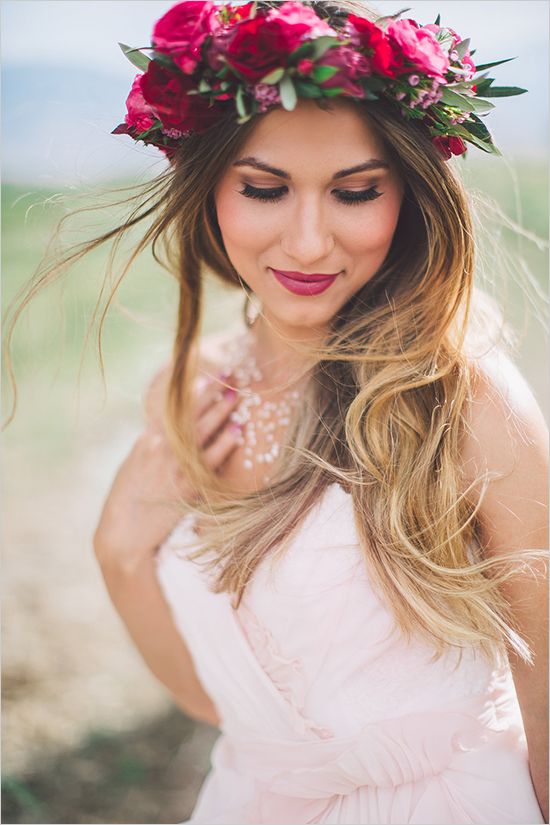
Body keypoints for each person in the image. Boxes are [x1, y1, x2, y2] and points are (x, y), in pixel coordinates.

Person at [8, 1, 548, 822]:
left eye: (355, 192)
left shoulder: (464, 397)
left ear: (408, 197)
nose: (306, 243)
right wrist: (119, 548)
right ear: (208, 193)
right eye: (265, 189)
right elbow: (218, 702)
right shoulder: (191, 396)